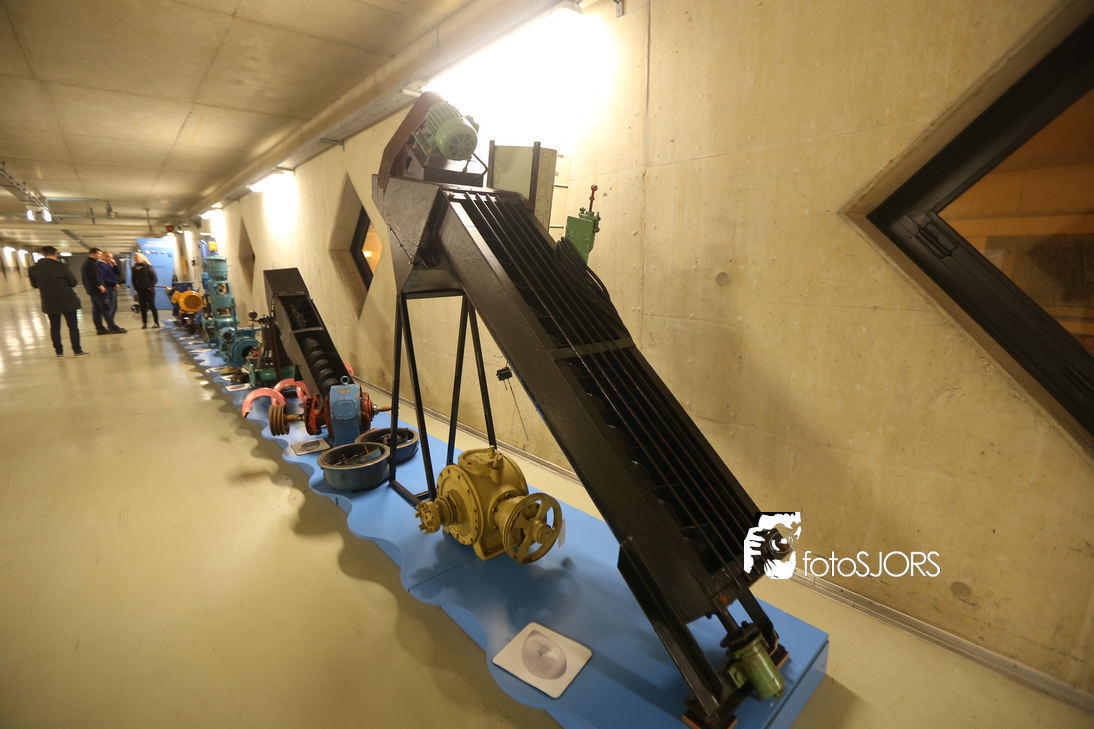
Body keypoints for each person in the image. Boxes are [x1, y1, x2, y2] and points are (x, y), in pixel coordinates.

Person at [28, 246, 92, 359]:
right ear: (56, 254)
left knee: (54, 327)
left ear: (43, 254)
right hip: (67, 300)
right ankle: (77, 350)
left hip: (49, 301)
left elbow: (34, 285)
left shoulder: (34, 269)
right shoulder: (61, 266)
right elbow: (73, 282)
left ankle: (59, 352)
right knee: (73, 327)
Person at [81, 248, 126, 334]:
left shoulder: (91, 263)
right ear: (92, 254)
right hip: (99, 290)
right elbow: (95, 276)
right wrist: (100, 285)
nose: (100, 255)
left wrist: (114, 264)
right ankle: (112, 327)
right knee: (106, 308)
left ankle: (100, 328)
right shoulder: (93, 264)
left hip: (93, 290)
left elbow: (117, 272)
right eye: (99, 254)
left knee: (97, 309)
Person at [130, 252, 160, 328]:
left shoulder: (148, 267)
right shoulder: (134, 268)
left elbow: (155, 278)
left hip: (149, 290)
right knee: (142, 307)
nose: (136, 259)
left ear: (142, 258)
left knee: (152, 306)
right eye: (135, 258)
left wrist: (150, 286)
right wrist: (136, 288)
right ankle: (144, 323)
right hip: (140, 290)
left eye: (137, 258)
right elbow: (133, 279)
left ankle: (156, 323)